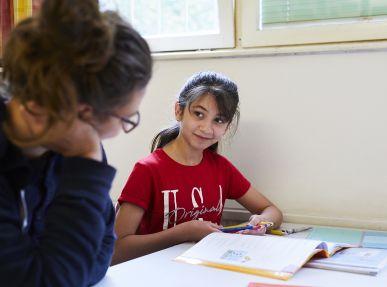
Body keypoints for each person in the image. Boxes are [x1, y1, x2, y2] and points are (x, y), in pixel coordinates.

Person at [0, 0, 152, 286]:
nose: (120, 130)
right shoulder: (84, 150)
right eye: (125, 119)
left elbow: (101, 253)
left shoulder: (72, 146)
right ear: (79, 113)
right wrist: (86, 160)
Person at [112, 71, 283, 265]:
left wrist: (262, 222)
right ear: (179, 110)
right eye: (199, 114)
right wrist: (182, 233)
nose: (206, 128)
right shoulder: (148, 170)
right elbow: (117, 250)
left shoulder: (221, 168)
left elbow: (272, 211)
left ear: (227, 126)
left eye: (218, 120)